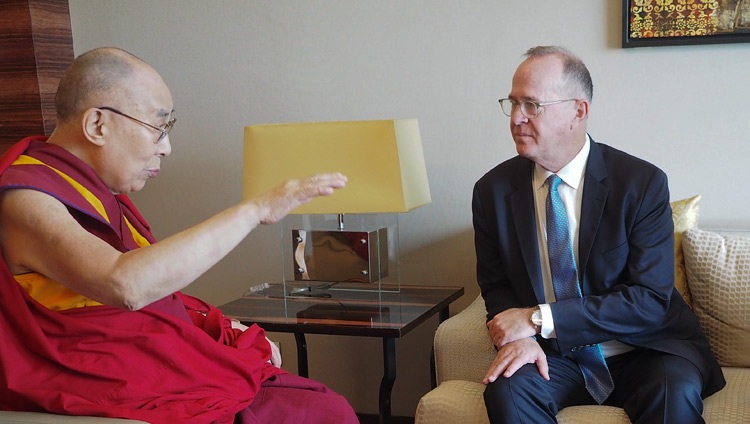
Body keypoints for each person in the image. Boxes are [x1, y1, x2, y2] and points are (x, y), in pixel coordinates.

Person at [0, 47, 358, 424]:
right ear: (97, 125)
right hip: (95, 379)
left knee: (317, 404)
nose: (166, 148)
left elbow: (150, 297)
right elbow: (125, 283)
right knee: (318, 413)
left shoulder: (87, 190)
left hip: (135, 364)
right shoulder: (25, 198)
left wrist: (215, 325)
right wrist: (254, 210)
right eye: (159, 127)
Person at [472, 45, 725, 423]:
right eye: (512, 103)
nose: (517, 118)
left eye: (532, 104)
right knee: (508, 391)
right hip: (556, 355)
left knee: (674, 393)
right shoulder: (492, 191)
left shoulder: (640, 184)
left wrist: (539, 318)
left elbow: (649, 299)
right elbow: (496, 284)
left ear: (578, 110)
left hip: (646, 349)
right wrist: (522, 336)